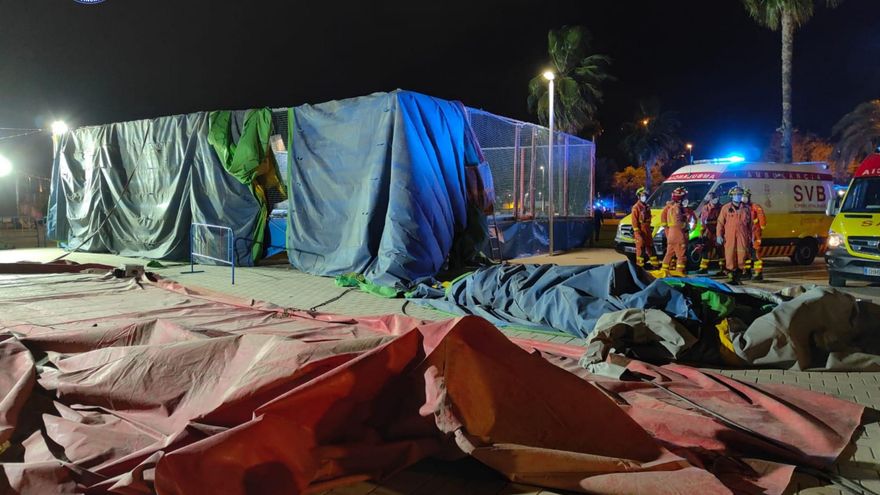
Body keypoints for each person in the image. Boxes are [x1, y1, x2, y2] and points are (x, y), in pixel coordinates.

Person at [716, 186, 752, 285]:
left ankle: (739, 275)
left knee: (742, 256)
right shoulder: (726, 208)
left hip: (742, 236)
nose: (738, 197)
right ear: (731, 196)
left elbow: (750, 224)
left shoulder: (746, 209)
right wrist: (719, 235)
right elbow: (720, 223)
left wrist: (751, 237)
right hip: (730, 236)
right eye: (736, 195)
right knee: (730, 255)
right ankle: (732, 277)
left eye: (740, 195)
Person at [660, 187, 688, 273]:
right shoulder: (677, 209)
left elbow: (665, 220)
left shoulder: (670, 208)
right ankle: (679, 272)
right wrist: (686, 225)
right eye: (684, 197)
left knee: (669, 254)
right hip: (678, 234)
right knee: (681, 256)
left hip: (671, 235)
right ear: (680, 199)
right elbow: (679, 223)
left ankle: (663, 271)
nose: (686, 199)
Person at [630, 187, 658, 268]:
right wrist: (637, 232)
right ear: (639, 196)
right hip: (640, 230)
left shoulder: (646, 206)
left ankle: (655, 265)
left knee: (651, 247)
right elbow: (634, 221)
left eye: (645, 195)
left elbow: (649, 217)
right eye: (642, 195)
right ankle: (640, 266)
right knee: (641, 247)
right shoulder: (636, 207)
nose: (644, 197)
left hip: (647, 230)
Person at [743, 189, 767, 280]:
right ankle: (747, 272)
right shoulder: (742, 207)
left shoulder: (755, 207)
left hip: (754, 234)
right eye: (743, 197)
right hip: (745, 234)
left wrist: (761, 227)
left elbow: (761, 218)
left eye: (746, 197)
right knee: (746, 254)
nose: (744, 199)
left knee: (755, 254)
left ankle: (758, 273)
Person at [697, 192, 721, 274]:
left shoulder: (721, 208)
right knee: (706, 249)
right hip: (708, 231)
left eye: (716, 198)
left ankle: (723, 268)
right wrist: (701, 232)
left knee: (720, 250)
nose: (715, 200)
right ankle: (703, 268)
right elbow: (702, 221)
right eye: (713, 198)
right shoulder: (705, 208)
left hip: (718, 231)